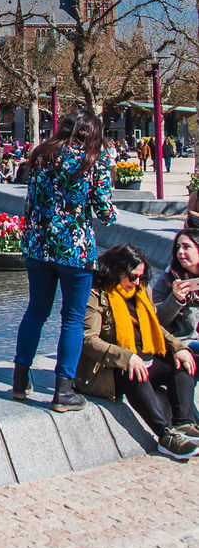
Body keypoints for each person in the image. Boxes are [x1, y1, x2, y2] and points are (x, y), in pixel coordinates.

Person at [13, 107, 117, 412]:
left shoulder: (41, 154)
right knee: (72, 318)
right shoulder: (92, 160)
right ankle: (63, 390)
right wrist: (112, 214)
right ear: (90, 133)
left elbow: (30, 202)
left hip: (39, 246)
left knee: (35, 312)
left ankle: (20, 381)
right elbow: (104, 210)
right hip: (75, 249)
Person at [75, 244, 198, 460]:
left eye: (140, 277)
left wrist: (177, 347)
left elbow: (153, 326)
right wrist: (127, 357)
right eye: (132, 277)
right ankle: (165, 435)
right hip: (111, 367)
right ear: (115, 270)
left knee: (184, 362)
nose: (137, 282)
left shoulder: (141, 290)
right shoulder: (95, 293)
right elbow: (87, 340)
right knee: (134, 372)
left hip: (147, 356)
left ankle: (184, 424)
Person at [153, 230, 199, 351]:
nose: (180, 252)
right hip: (183, 342)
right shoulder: (169, 277)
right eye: (178, 247)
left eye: (186, 247)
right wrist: (175, 299)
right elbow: (156, 320)